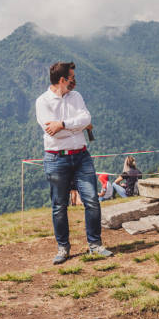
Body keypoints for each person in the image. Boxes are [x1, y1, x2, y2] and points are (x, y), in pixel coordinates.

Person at [35, 61, 112, 265]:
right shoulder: (42, 102)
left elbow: (86, 118)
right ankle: (63, 248)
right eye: (71, 79)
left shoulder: (76, 97)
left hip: (81, 156)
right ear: (62, 81)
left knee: (92, 201)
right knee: (59, 205)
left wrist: (63, 124)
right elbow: (52, 133)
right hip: (56, 157)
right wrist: (77, 127)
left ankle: (95, 245)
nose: (75, 82)